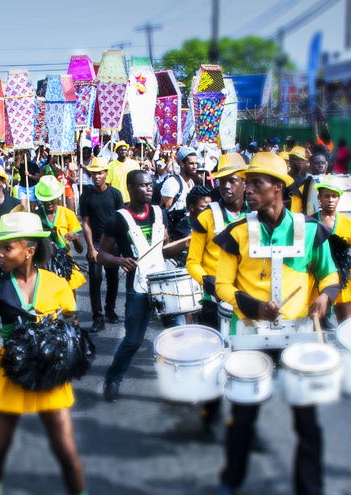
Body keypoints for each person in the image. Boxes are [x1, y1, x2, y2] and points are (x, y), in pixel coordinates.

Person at [208, 152, 343, 495]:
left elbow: (330, 275)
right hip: (251, 335)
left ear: (278, 188)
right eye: (246, 183)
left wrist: (325, 297)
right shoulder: (236, 233)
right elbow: (222, 285)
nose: (246, 190)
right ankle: (230, 481)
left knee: (307, 421)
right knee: (243, 416)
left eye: (256, 184)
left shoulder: (311, 231)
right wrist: (253, 306)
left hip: (297, 336)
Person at [0, 213, 101, 495]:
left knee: (66, 450)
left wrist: (59, 350)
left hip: (49, 376)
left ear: (28, 250)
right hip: (10, 371)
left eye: (6, 248)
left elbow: (73, 334)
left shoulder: (57, 285)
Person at [97, 170, 183, 402]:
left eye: (150, 185)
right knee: (134, 340)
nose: (149, 189)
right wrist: (119, 260)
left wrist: (186, 244)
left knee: (176, 335)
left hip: (163, 283)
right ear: (130, 188)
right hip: (138, 286)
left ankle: (181, 381)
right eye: (143, 185)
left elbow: (163, 248)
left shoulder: (159, 213)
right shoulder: (117, 219)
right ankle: (113, 379)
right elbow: (101, 254)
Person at [186, 153, 248, 442]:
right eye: (222, 181)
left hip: (247, 303)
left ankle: (246, 425)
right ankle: (210, 418)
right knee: (214, 362)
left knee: (245, 364)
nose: (226, 186)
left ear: (245, 183)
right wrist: (207, 282)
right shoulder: (206, 216)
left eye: (232, 181)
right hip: (213, 301)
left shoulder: (256, 215)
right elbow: (192, 262)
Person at [79, 157, 124, 333]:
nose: (96, 176)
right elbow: (85, 223)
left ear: (106, 174)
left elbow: (121, 220)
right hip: (96, 242)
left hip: (113, 243)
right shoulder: (86, 196)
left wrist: (122, 246)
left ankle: (110, 310)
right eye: (93, 173)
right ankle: (97, 316)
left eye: (99, 173)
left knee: (113, 278)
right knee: (96, 279)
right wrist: (91, 247)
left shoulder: (115, 194)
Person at [314, 178, 351, 323]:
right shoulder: (311, 222)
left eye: (334, 196)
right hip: (319, 276)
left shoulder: (347, 223)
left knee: (347, 324)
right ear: (319, 198)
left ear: (338, 198)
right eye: (326, 196)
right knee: (316, 325)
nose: (330, 200)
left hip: (343, 276)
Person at [34, 176, 85, 291]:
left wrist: (76, 238)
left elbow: (80, 250)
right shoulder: (35, 216)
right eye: (45, 199)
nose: (50, 202)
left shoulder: (68, 214)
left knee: (69, 299)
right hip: (42, 263)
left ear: (58, 197)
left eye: (53, 198)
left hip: (64, 263)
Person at [159, 146, 199, 240]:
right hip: (174, 232)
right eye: (191, 163)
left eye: (196, 163)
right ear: (182, 163)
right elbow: (164, 211)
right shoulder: (172, 183)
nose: (195, 166)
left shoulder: (191, 183)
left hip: (187, 229)